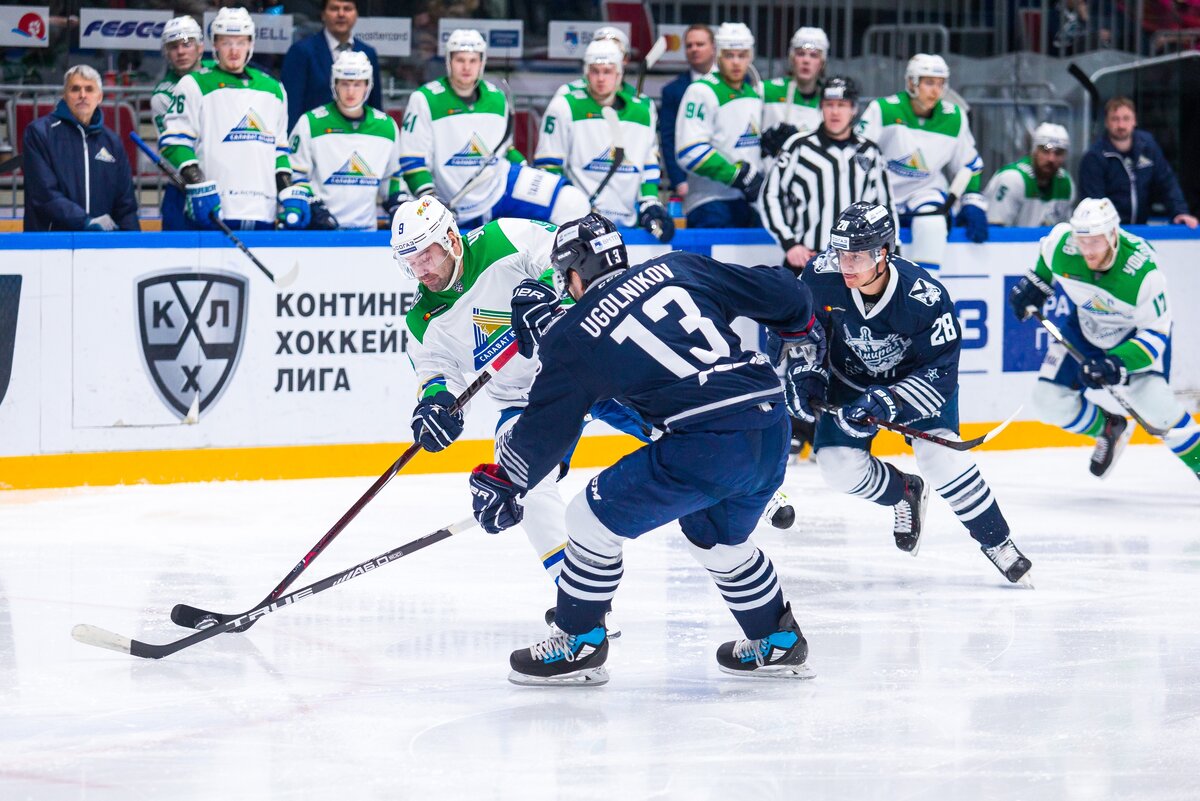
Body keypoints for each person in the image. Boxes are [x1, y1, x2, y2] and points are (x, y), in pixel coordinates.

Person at [467, 214, 821, 686]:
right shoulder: (680, 266)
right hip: (770, 426)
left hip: (706, 445)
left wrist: (506, 481)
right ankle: (776, 640)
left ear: (575, 272)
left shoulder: (576, 334)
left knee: (587, 520)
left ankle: (579, 641)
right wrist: (800, 336)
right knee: (715, 535)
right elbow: (788, 295)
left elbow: (548, 423)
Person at [787, 202, 1034, 585]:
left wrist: (891, 399)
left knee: (940, 459)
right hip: (850, 381)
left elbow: (941, 370)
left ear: (883, 253)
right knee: (836, 466)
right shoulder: (821, 276)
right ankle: (904, 492)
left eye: (857, 255)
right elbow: (804, 329)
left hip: (914, 384)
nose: (846, 264)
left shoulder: (925, 297)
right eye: (841, 253)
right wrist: (805, 370)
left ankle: (997, 542)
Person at [1009, 197, 1199, 480]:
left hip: (1133, 338)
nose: (1087, 250)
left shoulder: (1144, 273)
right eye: (1082, 240)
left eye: (1095, 241)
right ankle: (1108, 427)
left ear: (1113, 235)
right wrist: (1037, 284)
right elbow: (1046, 258)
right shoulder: (1063, 242)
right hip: (1084, 330)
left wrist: (1115, 363)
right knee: (1048, 401)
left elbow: (1157, 334)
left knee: (1157, 410)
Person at [398, 29, 589, 229]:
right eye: (460, 60)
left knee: (572, 202)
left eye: (473, 60)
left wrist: (525, 168)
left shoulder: (497, 98)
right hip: (450, 201)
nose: (466, 67)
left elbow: (504, 149)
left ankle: (561, 259)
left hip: (499, 187)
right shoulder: (425, 99)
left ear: (482, 62)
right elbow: (413, 160)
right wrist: (431, 199)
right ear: (448, 61)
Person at [160, 7, 300, 231]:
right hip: (213, 210)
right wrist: (198, 184)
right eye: (226, 42)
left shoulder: (274, 89)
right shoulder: (193, 84)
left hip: (263, 210)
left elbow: (280, 151)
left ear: (251, 43)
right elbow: (174, 143)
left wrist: (287, 190)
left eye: (241, 42)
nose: (234, 50)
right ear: (215, 44)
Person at [856, 54, 988, 271]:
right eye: (929, 83)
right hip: (881, 193)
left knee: (933, 226)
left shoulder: (955, 117)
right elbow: (858, 156)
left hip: (924, 191)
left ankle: (926, 292)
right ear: (911, 82)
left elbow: (969, 164)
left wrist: (971, 201)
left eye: (940, 84)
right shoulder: (883, 109)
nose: (935, 91)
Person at [535, 40, 673, 242]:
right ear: (585, 72)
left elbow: (648, 162)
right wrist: (568, 205)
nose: (601, 78)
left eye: (607, 71)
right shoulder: (565, 106)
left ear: (619, 74)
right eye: (595, 71)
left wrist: (649, 202)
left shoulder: (643, 111)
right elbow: (549, 167)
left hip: (626, 225)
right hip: (578, 227)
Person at [761, 76, 896, 270]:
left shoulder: (870, 151)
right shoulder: (798, 146)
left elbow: (885, 205)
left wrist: (891, 249)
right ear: (821, 107)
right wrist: (789, 243)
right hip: (809, 259)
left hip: (859, 262)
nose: (835, 111)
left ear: (854, 109)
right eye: (829, 104)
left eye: (842, 105)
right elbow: (770, 194)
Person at [289, 51, 404, 230]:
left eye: (357, 84)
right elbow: (296, 175)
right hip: (321, 234)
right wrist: (314, 207)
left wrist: (397, 202)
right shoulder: (310, 123)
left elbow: (392, 178)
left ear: (368, 85)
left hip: (366, 232)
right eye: (345, 84)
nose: (351, 91)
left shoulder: (387, 127)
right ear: (334, 83)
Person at [23, 64, 139, 232]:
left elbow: (125, 205)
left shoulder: (112, 142)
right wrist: (85, 222)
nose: (82, 95)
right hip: (50, 246)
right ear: (64, 96)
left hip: (100, 246)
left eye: (89, 89)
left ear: (99, 97)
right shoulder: (39, 133)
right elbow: (44, 194)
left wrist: (134, 246)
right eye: (75, 89)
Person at [674, 22, 763, 229]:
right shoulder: (701, 90)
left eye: (741, 55)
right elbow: (689, 150)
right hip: (709, 202)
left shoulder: (753, 93)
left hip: (748, 203)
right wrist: (734, 175)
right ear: (718, 55)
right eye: (729, 55)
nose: (736, 62)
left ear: (750, 56)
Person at [1079, 97, 1198, 228]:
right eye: (1115, 119)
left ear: (1134, 120)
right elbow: (1094, 202)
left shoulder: (1147, 146)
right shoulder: (1095, 157)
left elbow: (1166, 182)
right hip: (1109, 232)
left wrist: (1179, 212)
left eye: (1126, 118)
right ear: (1106, 123)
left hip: (1142, 228)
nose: (1121, 125)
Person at [281, 0, 382, 131]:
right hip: (315, 139)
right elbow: (291, 106)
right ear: (323, 14)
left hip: (358, 140)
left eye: (347, 8)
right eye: (334, 8)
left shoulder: (368, 53)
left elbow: (375, 107)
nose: (341, 14)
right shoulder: (302, 52)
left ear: (356, 14)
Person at [151, 15, 205, 231]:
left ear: (200, 47)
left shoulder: (219, 76)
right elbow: (172, 153)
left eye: (187, 43)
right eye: (173, 46)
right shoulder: (163, 96)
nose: (181, 51)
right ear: (166, 53)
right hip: (184, 190)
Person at [658, 23, 714, 198]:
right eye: (689, 45)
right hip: (691, 180)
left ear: (713, 47)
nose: (694, 49)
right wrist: (679, 181)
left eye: (700, 44)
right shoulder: (672, 91)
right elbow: (668, 139)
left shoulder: (736, 85)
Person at [985, 122, 1075, 227]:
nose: (1051, 159)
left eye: (1058, 153)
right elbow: (996, 228)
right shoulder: (1012, 179)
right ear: (1034, 151)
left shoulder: (1066, 184)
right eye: (1045, 151)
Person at [760, 27, 828, 159]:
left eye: (813, 55)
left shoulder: (829, 99)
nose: (806, 60)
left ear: (822, 63)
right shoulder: (767, 91)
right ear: (792, 58)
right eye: (800, 53)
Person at [551, 26, 639, 99]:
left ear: (625, 60)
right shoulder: (567, 93)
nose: (604, 59)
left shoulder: (636, 99)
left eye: (613, 54)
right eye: (599, 50)